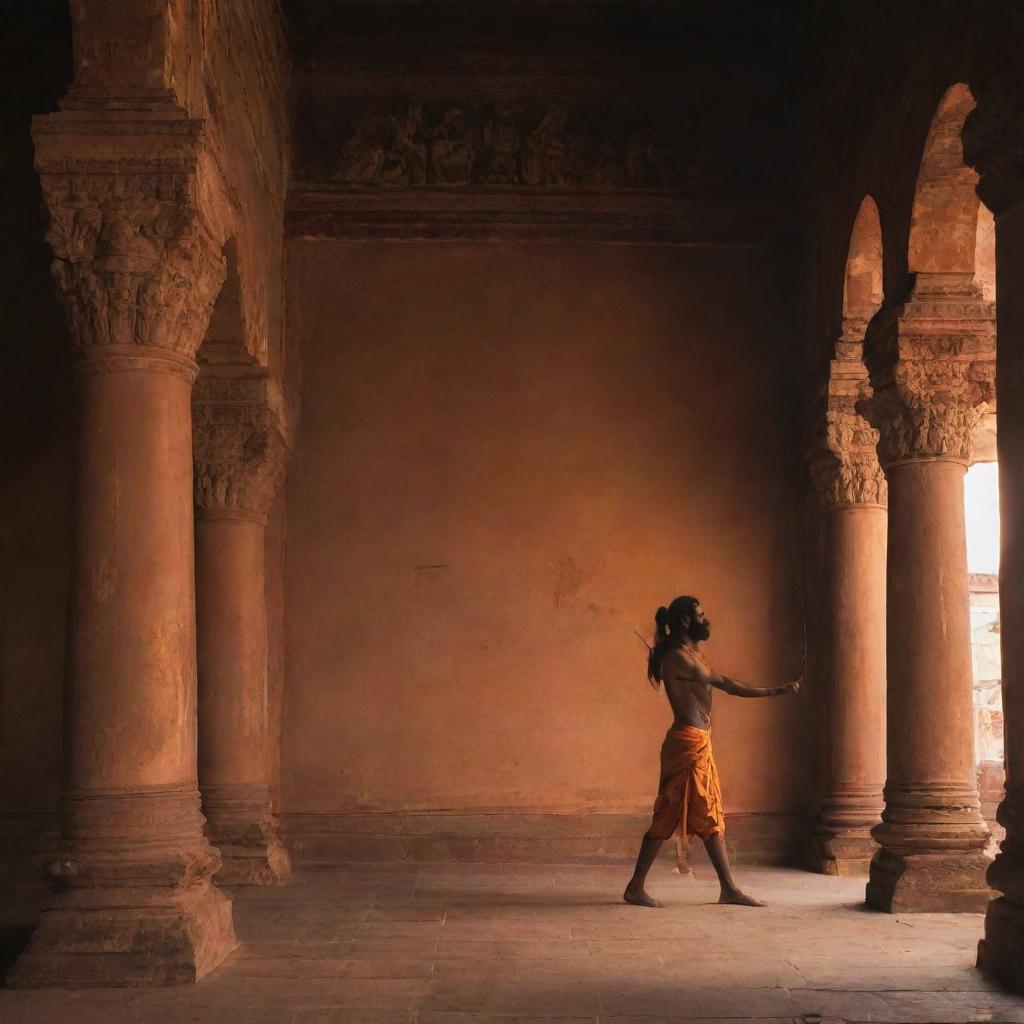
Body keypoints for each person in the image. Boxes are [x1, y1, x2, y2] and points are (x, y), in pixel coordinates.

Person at [623, 595, 800, 908]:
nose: (707, 620)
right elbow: (726, 683)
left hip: (698, 742)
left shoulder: (690, 653)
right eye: (700, 615)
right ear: (685, 621)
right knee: (670, 816)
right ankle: (637, 887)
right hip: (687, 743)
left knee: (709, 814)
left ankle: (727, 888)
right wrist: (776, 691)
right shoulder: (680, 658)